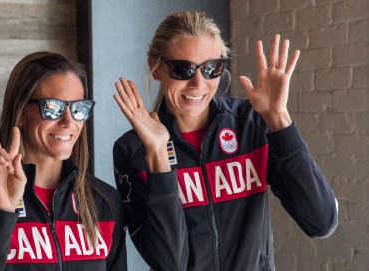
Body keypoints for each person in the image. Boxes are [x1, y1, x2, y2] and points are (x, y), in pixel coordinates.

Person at [112, 11, 338, 271]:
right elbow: (170, 264)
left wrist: (279, 119)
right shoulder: (133, 150)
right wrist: (158, 155)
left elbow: (321, 222)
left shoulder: (251, 125)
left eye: (211, 68)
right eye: (183, 69)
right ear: (156, 68)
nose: (199, 83)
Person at [0, 51, 127, 271]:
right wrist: (0, 213)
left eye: (79, 108)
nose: (68, 121)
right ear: (21, 111)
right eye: (52, 108)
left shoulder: (105, 202)